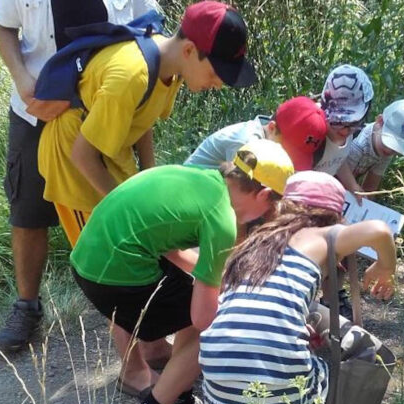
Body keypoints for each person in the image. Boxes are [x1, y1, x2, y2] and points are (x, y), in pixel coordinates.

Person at [199, 171, 397, 404]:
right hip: (270, 361)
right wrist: (385, 266)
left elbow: (259, 305)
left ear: (283, 207)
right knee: (313, 388)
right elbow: (381, 231)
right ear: (334, 216)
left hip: (215, 360)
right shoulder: (323, 235)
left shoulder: (255, 242)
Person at [88, 141, 294, 404]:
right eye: (272, 207)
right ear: (265, 195)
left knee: (195, 301)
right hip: (113, 278)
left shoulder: (202, 177)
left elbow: (169, 245)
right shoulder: (223, 220)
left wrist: (215, 276)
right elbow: (203, 320)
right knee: (215, 331)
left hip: (93, 256)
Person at [0, 0, 159, 352]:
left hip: (100, 115)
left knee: (108, 215)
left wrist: (148, 164)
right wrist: (22, 80)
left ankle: (130, 315)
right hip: (34, 110)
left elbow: (148, 40)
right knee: (27, 212)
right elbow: (4, 25)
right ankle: (27, 307)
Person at [38, 0, 257, 249]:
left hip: (112, 154)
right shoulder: (131, 75)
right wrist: (131, 209)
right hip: (75, 167)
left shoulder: (171, 71)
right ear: (188, 51)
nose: (218, 84)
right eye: (216, 73)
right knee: (102, 261)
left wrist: (147, 182)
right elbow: (82, 155)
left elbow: (142, 119)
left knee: (136, 251)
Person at [185, 96, 327, 171]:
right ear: (271, 127)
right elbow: (239, 197)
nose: (288, 158)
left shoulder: (267, 138)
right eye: (287, 150)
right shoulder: (247, 144)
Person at [313, 64, 374, 203]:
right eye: (337, 121)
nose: (345, 130)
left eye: (353, 123)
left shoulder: (349, 131)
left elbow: (338, 160)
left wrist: (353, 186)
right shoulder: (313, 130)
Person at [345, 99, 404, 192]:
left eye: (397, 148)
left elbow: (371, 187)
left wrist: (367, 201)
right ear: (380, 121)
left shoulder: (385, 151)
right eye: (389, 142)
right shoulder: (359, 144)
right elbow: (341, 177)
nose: (390, 150)